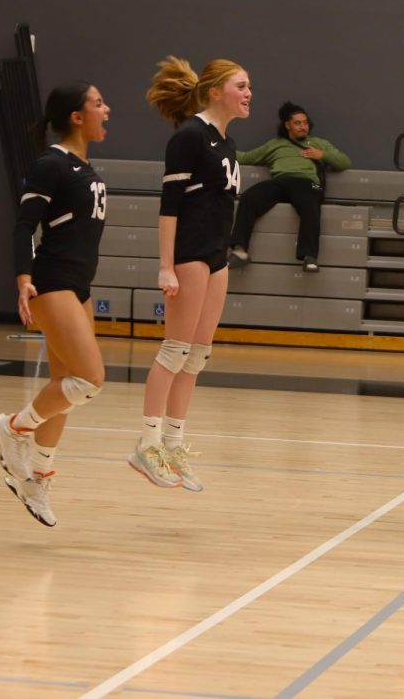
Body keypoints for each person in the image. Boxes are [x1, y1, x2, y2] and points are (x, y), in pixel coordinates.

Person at [0, 81, 112, 527]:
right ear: (77, 117)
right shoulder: (50, 165)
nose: (107, 110)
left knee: (64, 386)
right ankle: (12, 429)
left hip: (79, 284)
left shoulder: (87, 168)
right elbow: (23, 227)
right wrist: (23, 278)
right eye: (99, 104)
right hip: (52, 281)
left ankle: (37, 476)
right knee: (90, 379)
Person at [129, 56, 251, 492]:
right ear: (216, 91)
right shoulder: (189, 137)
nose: (248, 93)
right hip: (189, 255)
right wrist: (166, 265)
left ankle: (175, 444)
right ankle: (147, 444)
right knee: (175, 348)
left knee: (198, 354)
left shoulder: (226, 143)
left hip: (216, 256)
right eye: (241, 85)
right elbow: (170, 207)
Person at [228, 103, 351, 273]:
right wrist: (223, 147)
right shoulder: (275, 144)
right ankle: (239, 251)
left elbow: (344, 162)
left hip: (310, 183)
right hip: (281, 181)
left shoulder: (318, 143)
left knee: (310, 202)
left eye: (305, 123)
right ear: (287, 125)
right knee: (250, 197)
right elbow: (247, 157)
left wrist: (322, 155)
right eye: (298, 123)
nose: (303, 127)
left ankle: (309, 256)